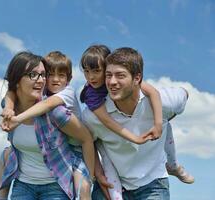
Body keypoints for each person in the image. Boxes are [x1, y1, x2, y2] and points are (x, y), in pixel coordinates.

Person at [82, 47, 192, 199]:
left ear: (137, 78)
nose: (112, 82)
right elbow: (87, 141)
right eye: (108, 75)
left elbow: (184, 94)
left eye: (120, 75)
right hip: (114, 181)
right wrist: (98, 173)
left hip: (152, 183)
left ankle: (174, 166)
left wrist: (162, 121)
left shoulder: (165, 102)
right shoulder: (92, 115)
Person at [0, 51, 102, 200]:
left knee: (84, 191)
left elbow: (86, 139)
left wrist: (90, 176)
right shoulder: (10, 106)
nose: (42, 80)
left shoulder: (57, 106)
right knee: (8, 152)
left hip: (61, 174)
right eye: (34, 75)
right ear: (17, 80)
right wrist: (9, 109)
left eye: (42, 75)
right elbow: (10, 93)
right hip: (23, 184)